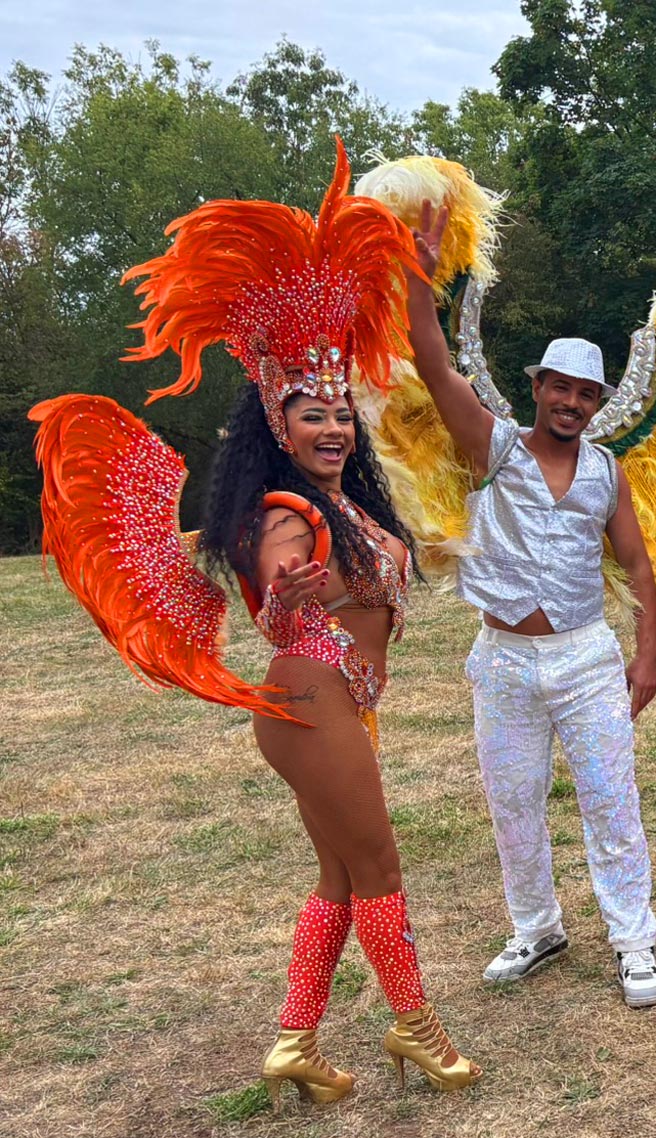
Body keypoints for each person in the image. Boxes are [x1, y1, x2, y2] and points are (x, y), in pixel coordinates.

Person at [31, 143, 478, 1108]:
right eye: (310, 414)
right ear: (276, 423)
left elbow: (402, 376)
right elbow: (280, 582)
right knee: (381, 866)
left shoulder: (348, 501)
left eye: (339, 415)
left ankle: (294, 1042)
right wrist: (289, 590)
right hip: (309, 698)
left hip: (331, 708)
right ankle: (416, 1027)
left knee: (337, 876)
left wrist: (415, 284)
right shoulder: (283, 514)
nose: (332, 428)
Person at [402, 201, 656, 1009]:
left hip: (586, 659)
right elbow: (432, 361)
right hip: (504, 661)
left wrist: (646, 652)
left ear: (597, 403)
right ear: (539, 386)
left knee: (610, 801)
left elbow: (637, 563)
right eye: (561, 388)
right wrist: (420, 272)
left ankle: (634, 942)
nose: (573, 405)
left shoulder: (606, 472)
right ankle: (537, 928)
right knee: (512, 802)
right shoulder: (496, 445)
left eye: (587, 395)